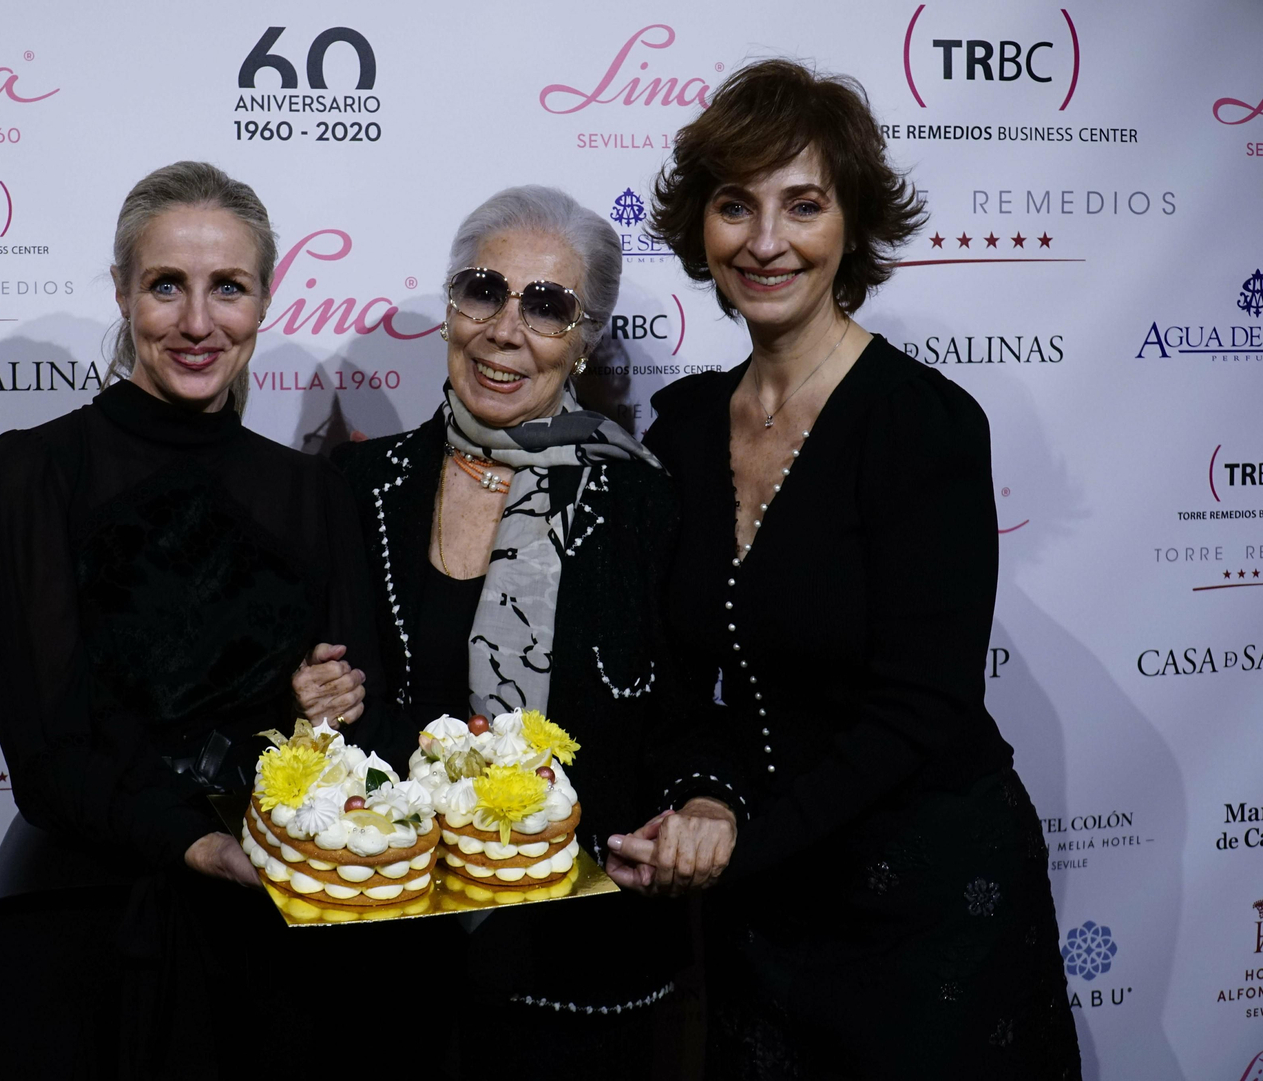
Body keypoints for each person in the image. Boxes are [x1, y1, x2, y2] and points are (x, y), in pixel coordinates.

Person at [607, 60, 1082, 1077]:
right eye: (735, 205)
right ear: (700, 225)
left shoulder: (924, 425)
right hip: (764, 907)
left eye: (803, 205)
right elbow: (682, 679)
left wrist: (744, 839)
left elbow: (921, 707)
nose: (765, 241)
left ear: (851, 222)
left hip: (927, 907)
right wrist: (705, 800)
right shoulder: (684, 426)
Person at [0, 161, 385, 1077]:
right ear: (122, 292)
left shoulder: (313, 492)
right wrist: (196, 840)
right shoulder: (36, 473)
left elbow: (354, 735)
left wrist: (321, 712)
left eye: (227, 287)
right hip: (87, 936)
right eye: (166, 286)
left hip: (266, 941)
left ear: (265, 298)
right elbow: (48, 745)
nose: (198, 323)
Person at [330, 185, 703, 1079]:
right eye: (484, 290)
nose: (505, 330)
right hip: (388, 972)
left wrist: (701, 805)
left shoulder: (645, 503)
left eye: (546, 306)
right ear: (451, 304)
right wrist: (314, 694)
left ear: (586, 338)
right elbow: (335, 705)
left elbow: (682, 719)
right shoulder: (357, 486)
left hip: (578, 977)